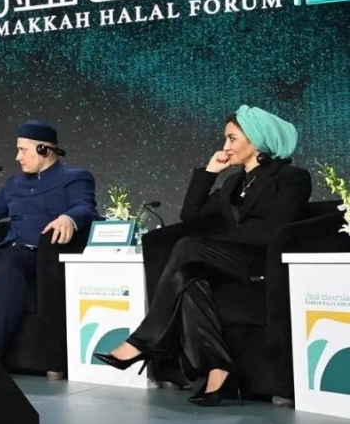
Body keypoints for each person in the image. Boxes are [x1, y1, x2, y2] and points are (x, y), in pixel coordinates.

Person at [95, 106, 311, 406]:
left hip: (264, 263)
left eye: (232, 139)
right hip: (229, 262)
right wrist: (210, 173)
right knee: (189, 279)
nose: (225, 146)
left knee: (188, 247)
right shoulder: (232, 184)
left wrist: (218, 244)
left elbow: (277, 230)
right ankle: (218, 372)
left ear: (257, 140)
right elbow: (191, 215)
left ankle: (143, 341)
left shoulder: (292, 177)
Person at [0, 120, 100, 364]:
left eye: (23, 150)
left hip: (40, 257)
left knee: (10, 264)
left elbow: (85, 208)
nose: (17, 157)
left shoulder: (75, 178)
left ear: (44, 150)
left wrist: (68, 218)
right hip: (8, 251)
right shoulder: (14, 184)